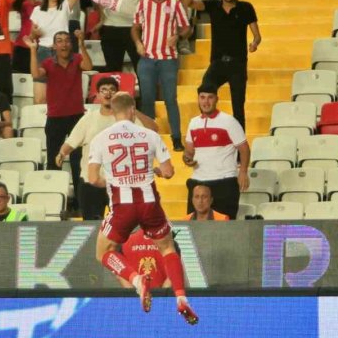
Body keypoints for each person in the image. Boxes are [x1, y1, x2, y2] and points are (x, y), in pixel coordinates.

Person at [87, 92, 198, 324]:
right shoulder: (150, 135)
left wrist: (114, 181)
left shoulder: (101, 138)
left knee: (103, 253)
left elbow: (92, 179)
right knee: (167, 248)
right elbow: (168, 172)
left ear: (113, 110)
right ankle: (181, 298)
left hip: (121, 206)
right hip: (149, 203)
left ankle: (137, 280)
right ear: (132, 109)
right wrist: (151, 172)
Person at [58, 76, 160, 219]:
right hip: (91, 182)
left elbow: (153, 128)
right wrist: (62, 153)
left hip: (120, 184)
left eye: (112, 90)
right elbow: (72, 141)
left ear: (118, 94)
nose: (108, 93)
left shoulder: (128, 118)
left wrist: (131, 109)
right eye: (103, 90)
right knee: (92, 227)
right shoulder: (89, 118)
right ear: (97, 95)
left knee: (124, 225)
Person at [183, 0, 260, 130]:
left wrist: (254, 44)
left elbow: (257, 36)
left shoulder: (246, 7)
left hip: (238, 64)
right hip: (217, 62)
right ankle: (208, 128)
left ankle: (240, 149)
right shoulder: (213, 6)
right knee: (205, 89)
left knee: (238, 108)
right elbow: (188, 3)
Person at [28, 29, 92, 206]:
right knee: (53, 161)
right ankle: (53, 202)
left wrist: (82, 45)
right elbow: (35, 75)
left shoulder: (77, 59)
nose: (64, 44)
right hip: (55, 118)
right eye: (59, 41)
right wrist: (33, 50)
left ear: (70, 44)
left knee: (78, 162)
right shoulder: (48, 63)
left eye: (66, 41)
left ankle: (81, 204)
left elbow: (88, 66)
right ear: (54, 46)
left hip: (76, 118)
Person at [133, 0, 190, 152]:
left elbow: (187, 28)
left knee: (170, 100)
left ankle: (176, 138)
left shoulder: (175, 5)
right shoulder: (142, 4)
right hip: (147, 58)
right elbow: (135, 28)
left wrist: (178, 37)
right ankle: (150, 140)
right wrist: (137, 43)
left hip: (168, 59)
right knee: (147, 100)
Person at [183, 82, 250, 219]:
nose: (206, 102)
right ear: (198, 99)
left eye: (210, 97)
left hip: (224, 182)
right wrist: (187, 159)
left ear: (216, 99)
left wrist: (243, 172)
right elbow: (189, 152)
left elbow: (244, 149)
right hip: (198, 181)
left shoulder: (229, 121)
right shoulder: (193, 123)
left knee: (225, 229)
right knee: (194, 229)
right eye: (202, 97)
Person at [29, 0, 82, 103]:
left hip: (61, 53)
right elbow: (31, 36)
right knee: (40, 98)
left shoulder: (64, 6)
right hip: (42, 52)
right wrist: (35, 33)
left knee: (62, 96)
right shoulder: (37, 10)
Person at [95, 0, 149, 73]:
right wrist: (102, 19)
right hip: (110, 27)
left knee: (142, 71)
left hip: (135, 28)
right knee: (112, 72)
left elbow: (149, 1)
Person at [11, 0, 39, 75]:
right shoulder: (25, 4)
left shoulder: (40, 4)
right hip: (22, 48)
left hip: (35, 47)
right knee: (20, 77)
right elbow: (35, 18)